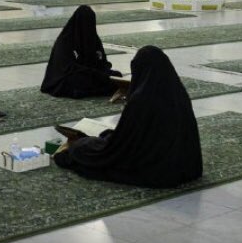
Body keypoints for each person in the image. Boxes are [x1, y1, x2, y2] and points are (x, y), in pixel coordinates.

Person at [53, 46, 202, 188]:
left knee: (81, 148)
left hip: (156, 168)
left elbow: (121, 146)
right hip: (185, 165)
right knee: (99, 138)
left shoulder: (141, 100)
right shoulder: (179, 92)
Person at [41, 5, 122, 98]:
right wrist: (95, 73)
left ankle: (93, 88)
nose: (87, 26)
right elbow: (67, 68)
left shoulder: (93, 38)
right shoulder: (65, 40)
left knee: (117, 76)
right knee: (76, 80)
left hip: (91, 74)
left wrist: (103, 72)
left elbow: (102, 61)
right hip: (70, 75)